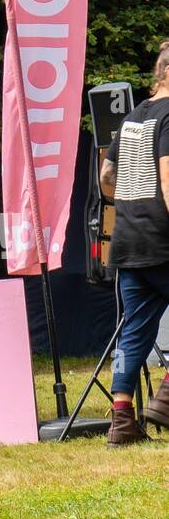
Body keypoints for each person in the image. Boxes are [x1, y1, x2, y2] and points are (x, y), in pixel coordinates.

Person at [99, 40, 169, 445]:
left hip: (127, 240)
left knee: (133, 334)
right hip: (162, 239)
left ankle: (122, 421)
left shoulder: (132, 119)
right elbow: (167, 178)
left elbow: (107, 175)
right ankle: (166, 399)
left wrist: (132, 199)